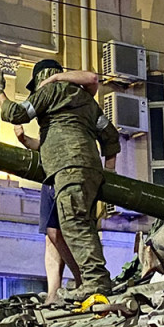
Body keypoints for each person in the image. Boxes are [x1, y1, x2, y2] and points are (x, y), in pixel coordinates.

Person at [0, 59, 121, 302]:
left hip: (68, 168)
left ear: (42, 77)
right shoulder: (85, 100)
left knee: (73, 222)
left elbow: (17, 113)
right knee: (80, 223)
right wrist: (110, 174)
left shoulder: (49, 91)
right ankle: (90, 279)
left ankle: (96, 281)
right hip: (89, 171)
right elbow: (110, 135)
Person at [12, 69, 100, 305]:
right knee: (51, 236)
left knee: (65, 229)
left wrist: (56, 78)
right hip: (53, 173)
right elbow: (48, 145)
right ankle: (54, 293)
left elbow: (93, 79)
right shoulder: (50, 108)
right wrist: (24, 141)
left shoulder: (74, 94)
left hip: (71, 171)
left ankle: (85, 279)